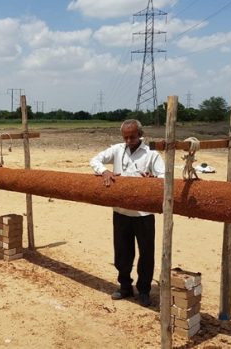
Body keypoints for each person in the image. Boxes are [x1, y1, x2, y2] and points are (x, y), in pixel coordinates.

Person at [89, 119, 165, 306]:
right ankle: (124, 287)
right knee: (122, 252)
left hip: (143, 214)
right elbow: (95, 160)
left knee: (146, 254)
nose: (129, 140)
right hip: (121, 211)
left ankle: (144, 290)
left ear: (140, 134)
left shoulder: (152, 154)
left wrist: (154, 180)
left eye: (132, 136)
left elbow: (164, 176)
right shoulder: (117, 149)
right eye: (126, 137)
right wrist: (104, 172)